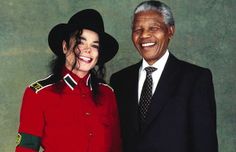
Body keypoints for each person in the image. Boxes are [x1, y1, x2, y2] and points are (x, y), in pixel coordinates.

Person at [110, 1, 218, 152]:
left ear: (170, 31)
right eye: (137, 29)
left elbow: (205, 144)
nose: (144, 35)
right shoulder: (120, 80)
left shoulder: (195, 79)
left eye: (154, 28)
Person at [16, 9, 122, 152]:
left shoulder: (108, 93)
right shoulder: (38, 94)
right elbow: (26, 148)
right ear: (65, 47)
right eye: (80, 42)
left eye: (94, 45)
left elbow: (116, 146)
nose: (87, 50)